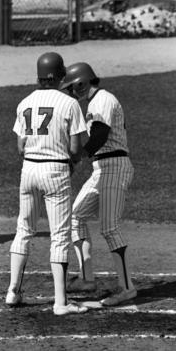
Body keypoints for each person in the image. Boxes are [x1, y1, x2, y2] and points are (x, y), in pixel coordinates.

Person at [5, 52, 89, 316]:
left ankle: (13, 291)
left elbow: (20, 146)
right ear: (61, 74)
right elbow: (76, 147)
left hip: (28, 169)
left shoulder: (25, 102)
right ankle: (61, 302)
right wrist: (72, 162)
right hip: (55, 171)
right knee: (60, 236)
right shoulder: (69, 103)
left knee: (24, 229)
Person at [60, 62, 137, 306]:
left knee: (109, 228)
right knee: (76, 216)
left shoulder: (103, 99)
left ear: (82, 83)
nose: (71, 93)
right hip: (101, 169)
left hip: (114, 167)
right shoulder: (94, 103)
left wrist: (78, 156)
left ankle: (127, 288)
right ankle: (86, 279)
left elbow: (101, 134)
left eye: (72, 88)